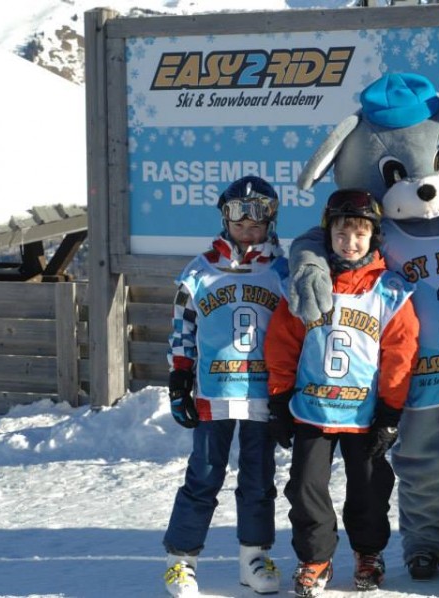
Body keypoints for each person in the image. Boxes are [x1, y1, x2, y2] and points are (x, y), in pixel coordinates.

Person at [263, 189, 420, 598]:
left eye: (359, 234)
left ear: (374, 237)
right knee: (305, 487)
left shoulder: (388, 290)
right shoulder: (309, 284)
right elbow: (282, 342)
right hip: (313, 408)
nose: (350, 243)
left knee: (369, 486)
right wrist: (279, 398)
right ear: (327, 235)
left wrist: (390, 410)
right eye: (341, 233)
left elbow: (400, 352)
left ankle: (368, 552)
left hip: (364, 414)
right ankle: (316, 557)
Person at [163, 176, 288, 597]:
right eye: (239, 223)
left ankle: (254, 556)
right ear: (225, 220)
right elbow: (183, 328)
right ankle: (181, 560)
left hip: (261, 393)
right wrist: (179, 378)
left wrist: (289, 389)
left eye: (256, 224)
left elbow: (294, 332)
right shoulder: (200, 270)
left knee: (259, 479)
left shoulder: (281, 270)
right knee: (203, 475)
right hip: (213, 394)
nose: (247, 231)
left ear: (270, 223)